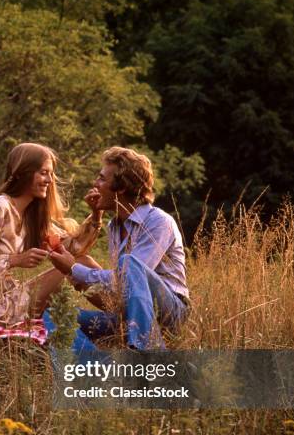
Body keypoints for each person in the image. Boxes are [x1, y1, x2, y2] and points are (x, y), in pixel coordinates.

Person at [48, 146, 190, 349]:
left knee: (128, 262)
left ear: (121, 187)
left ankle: (147, 353)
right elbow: (119, 289)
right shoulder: (114, 225)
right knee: (55, 315)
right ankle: (93, 367)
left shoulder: (159, 221)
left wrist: (74, 270)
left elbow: (127, 276)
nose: (95, 184)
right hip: (130, 313)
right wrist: (96, 215)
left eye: (102, 179)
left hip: (170, 312)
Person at [0, 142, 103, 326]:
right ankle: (124, 314)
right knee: (80, 264)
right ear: (23, 173)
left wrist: (96, 215)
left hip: (10, 298)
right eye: (43, 172)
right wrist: (15, 259)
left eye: (51, 174)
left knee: (81, 261)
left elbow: (74, 249)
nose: (49, 180)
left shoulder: (30, 216)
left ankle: (122, 313)